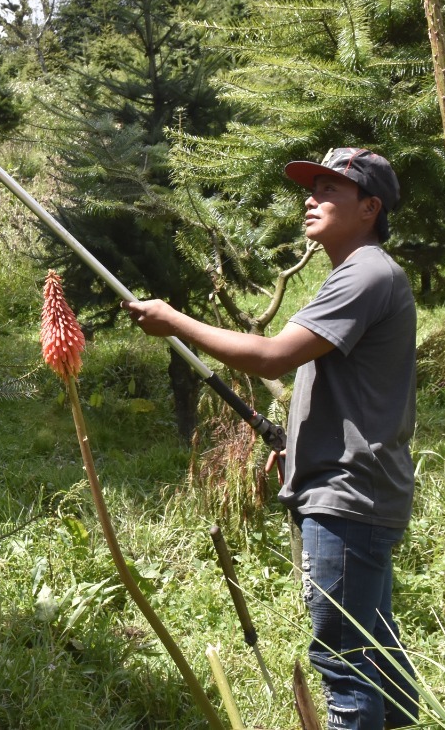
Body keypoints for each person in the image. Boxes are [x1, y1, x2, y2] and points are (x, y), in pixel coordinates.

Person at [122, 147, 418, 730]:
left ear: (369, 208)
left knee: (345, 663)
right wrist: (298, 445)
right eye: (311, 188)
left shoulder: (365, 271)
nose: (311, 199)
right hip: (354, 492)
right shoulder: (356, 273)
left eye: (330, 190)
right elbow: (343, 389)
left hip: (347, 498)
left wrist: (173, 320)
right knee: (376, 656)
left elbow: (272, 358)